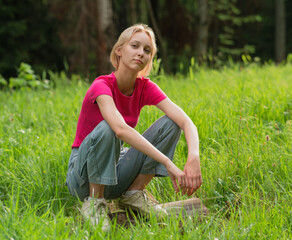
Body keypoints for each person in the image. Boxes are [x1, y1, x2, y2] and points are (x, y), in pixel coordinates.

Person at [65, 23, 202, 231]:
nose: (140, 53)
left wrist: (194, 156)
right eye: (135, 46)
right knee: (108, 128)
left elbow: (186, 121)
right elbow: (119, 129)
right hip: (81, 176)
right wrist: (167, 163)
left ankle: (134, 194)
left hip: (114, 171)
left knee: (171, 123)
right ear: (119, 50)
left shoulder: (145, 87)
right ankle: (94, 202)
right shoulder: (101, 86)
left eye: (147, 50)